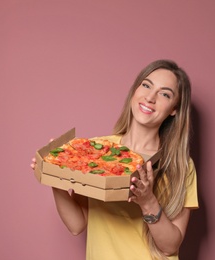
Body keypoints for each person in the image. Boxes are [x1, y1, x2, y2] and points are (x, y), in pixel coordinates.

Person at [31, 59, 198, 260]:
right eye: (146, 85)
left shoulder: (180, 165)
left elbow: (170, 247)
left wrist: (148, 201)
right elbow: (77, 225)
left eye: (164, 94)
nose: (150, 97)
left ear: (174, 109)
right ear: (134, 91)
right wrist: (54, 173)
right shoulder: (94, 151)